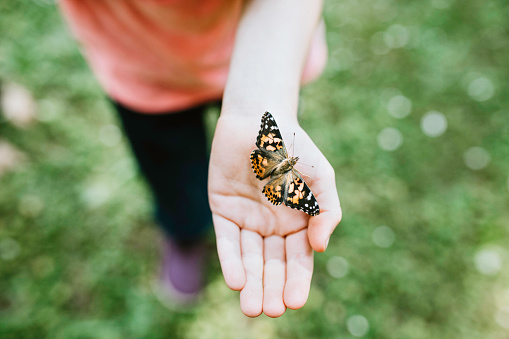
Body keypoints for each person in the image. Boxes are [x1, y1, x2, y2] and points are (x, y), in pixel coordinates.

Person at [59, 0, 342, 318]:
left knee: (269, 153)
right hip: (141, 67)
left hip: (267, 58)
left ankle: (192, 229)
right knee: (170, 171)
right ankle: (185, 233)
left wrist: (265, 101)